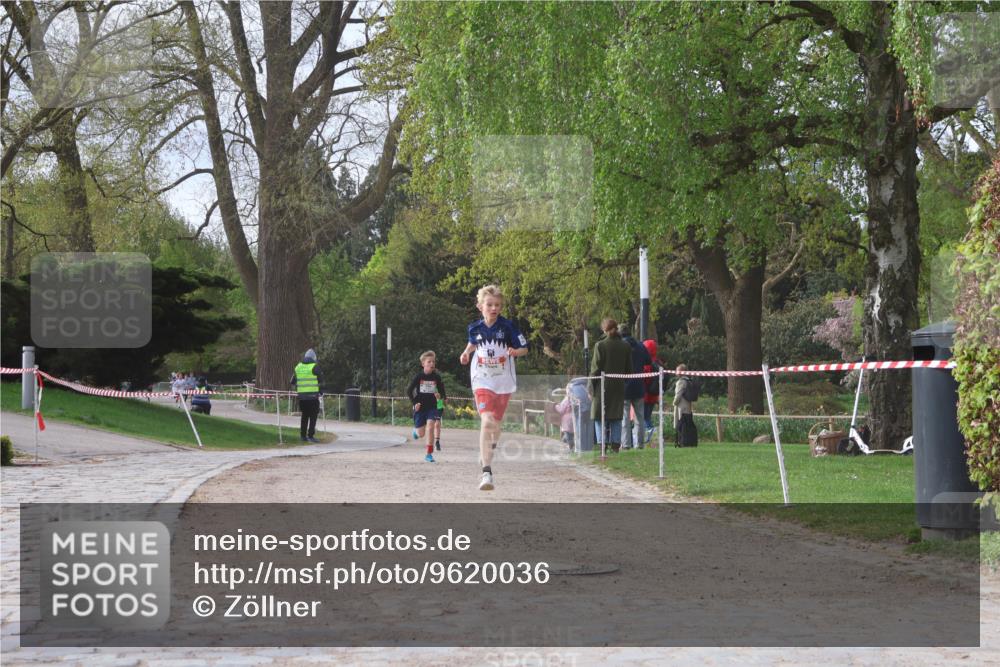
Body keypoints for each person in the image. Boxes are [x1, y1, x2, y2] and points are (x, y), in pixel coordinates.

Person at [460, 284, 528, 491]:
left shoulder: (508, 327)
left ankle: (492, 446)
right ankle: (486, 473)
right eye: (489, 304)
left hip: (503, 382)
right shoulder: (474, 328)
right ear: (480, 306)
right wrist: (466, 352)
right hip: (482, 379)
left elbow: (524, 348)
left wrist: (515, 352)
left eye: (497, 305)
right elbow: (473, 343)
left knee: (495, 426)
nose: (493, 308)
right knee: (487, 420)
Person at [589, 318, 632, 452]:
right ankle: (615, 445)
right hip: (618, 386)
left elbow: (595, 369)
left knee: (599, 416)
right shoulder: (626, 346)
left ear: (604, 330)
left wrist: (590, 386)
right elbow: (629, 370)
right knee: (616, 416)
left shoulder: (600, 346)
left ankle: (602, 444)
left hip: (601, 386)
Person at [407, 351, 447, 463]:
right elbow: (409, 391)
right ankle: (416, 431)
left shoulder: (436, 377)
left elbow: (442, 391)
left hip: (432, 407)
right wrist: (415, 403)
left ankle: (429, 454)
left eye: (433, 362)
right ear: (423, 364)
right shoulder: (419, 377)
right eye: (429, 362)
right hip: (420, 407)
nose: (432, 364)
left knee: (430, 426)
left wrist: (441, 396)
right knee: (421, 434)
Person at [619, 324, 653, 450]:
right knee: (640, 417)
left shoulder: (620, 346)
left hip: (624, 386)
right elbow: (648, 361)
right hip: (639, 385)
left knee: (625, 417)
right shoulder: (640, 345)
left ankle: (626, 444)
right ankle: (640, 444)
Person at [290, 348, 323, 443]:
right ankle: (311, 436)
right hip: (313, 397)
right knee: (313, 416)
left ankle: (303, 436)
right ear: (314, 358)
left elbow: (292, 381)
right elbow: (321, 380)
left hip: (302, 397)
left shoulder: (298, 367)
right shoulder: (314, 366)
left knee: (304, 416)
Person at [673, 363, 698, 447]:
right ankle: (687, 441)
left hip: (681, 405)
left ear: (681, 371)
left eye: (677, 370)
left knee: (681, 423)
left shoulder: (681, 382)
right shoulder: (688, 380)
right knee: (687, 423)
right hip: (688, 405)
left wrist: (674, 403)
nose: (676, 372)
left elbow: (678, 394)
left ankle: (682, 441)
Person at [642, 339, 662, 440]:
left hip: (646, 395)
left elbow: (645, 379)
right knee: (647, 417)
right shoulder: (658, 362)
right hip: (654, 395)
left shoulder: (647, 364)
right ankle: (649, 438)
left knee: (644, 418)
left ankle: (652, 438)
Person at [552, 384, 576, 450]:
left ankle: (571, 447)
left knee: (567, 434)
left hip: (566, 420)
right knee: (571, 434)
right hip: (574, 418)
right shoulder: (575, 398)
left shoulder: (566, 399)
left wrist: (556, 406)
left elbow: (561, 409)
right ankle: (571, 444)